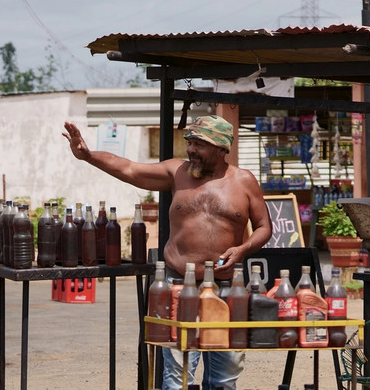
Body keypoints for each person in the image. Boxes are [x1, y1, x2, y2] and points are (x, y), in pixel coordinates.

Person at [63, 114, 273, 390]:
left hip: (227, 290)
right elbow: (129, 169)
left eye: (199, 144)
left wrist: (244, 249)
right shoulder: (177, 173)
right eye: (190, 142)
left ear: (222, 149)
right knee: (176, 379)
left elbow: (263, 227)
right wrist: (89, 156)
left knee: (223, 378)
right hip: (177, 286)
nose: (190, 150)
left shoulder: (244, 181)